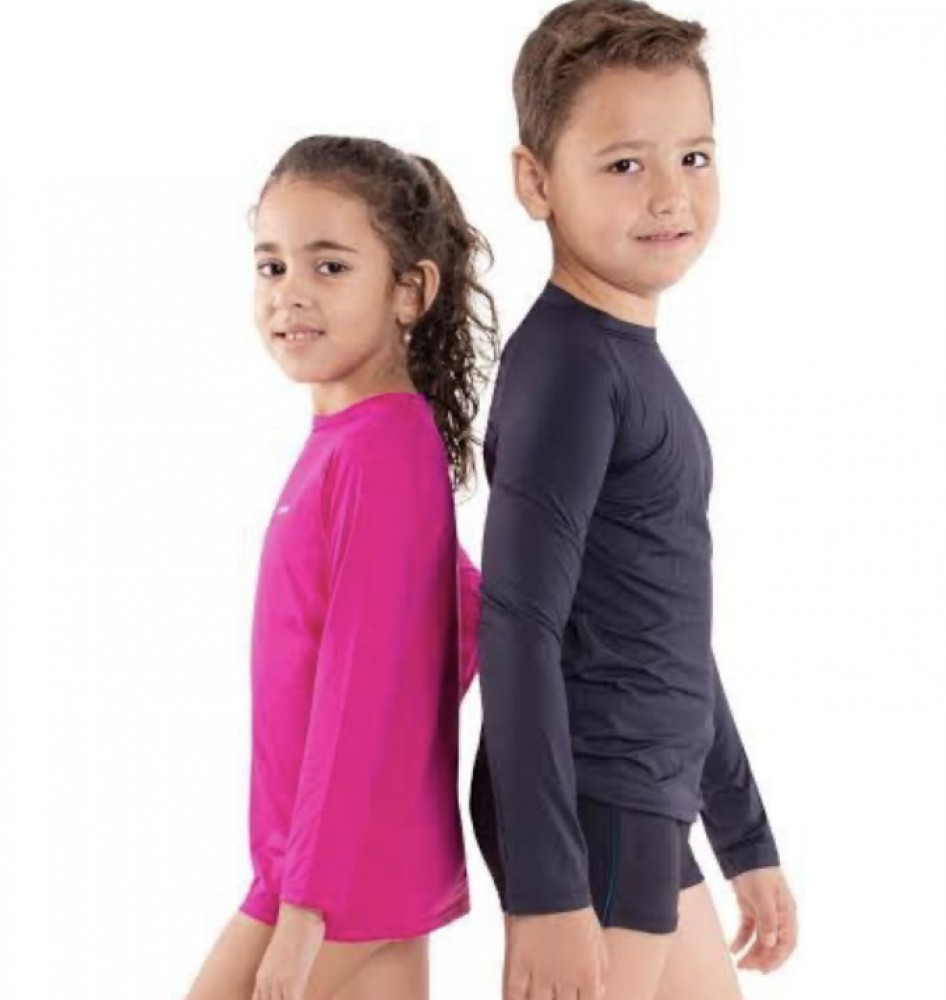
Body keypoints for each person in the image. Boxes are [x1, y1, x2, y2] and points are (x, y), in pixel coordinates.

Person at [468, 3, 799, 998]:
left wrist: (743, 833)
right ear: (536, 182)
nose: (669, 194)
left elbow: (665, 627)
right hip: (590, 803)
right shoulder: (569, 367)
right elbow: (516, 619)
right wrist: (547, 886)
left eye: (694, 156)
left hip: (639, 797)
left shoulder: (622, 359)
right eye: (623, 164)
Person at [185, 134, 496, 1000]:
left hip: (328, 884)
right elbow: (457, 619)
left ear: (410, 291)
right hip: (340, 863)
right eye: (271, 266)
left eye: (328, 267)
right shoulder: (358, 442)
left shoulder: (380, 452)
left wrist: (305, 907)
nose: (290, 293)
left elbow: (364, 690)